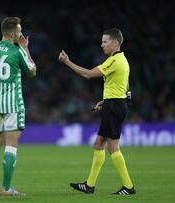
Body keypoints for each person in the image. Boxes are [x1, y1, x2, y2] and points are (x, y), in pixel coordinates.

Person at [58, 28, 136, 195]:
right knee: (100, 143)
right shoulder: (121, 59)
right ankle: (90, 185)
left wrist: (67, 62)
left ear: (116, 43)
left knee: (112, 146)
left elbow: (88, 74)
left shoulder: (114, 60)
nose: (102, 45)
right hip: (114, 103)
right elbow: (124, 84)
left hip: (115, 106)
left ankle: (128, 186)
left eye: (105, 41)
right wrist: (105, 101)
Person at [0, 17, 36, 196]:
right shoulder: (17, 51)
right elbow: (33, 71)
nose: (21, 34)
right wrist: (25, 48)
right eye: (19, 31)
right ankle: (6, 188)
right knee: (11, 145)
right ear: (12, 33)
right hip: (13, 104)